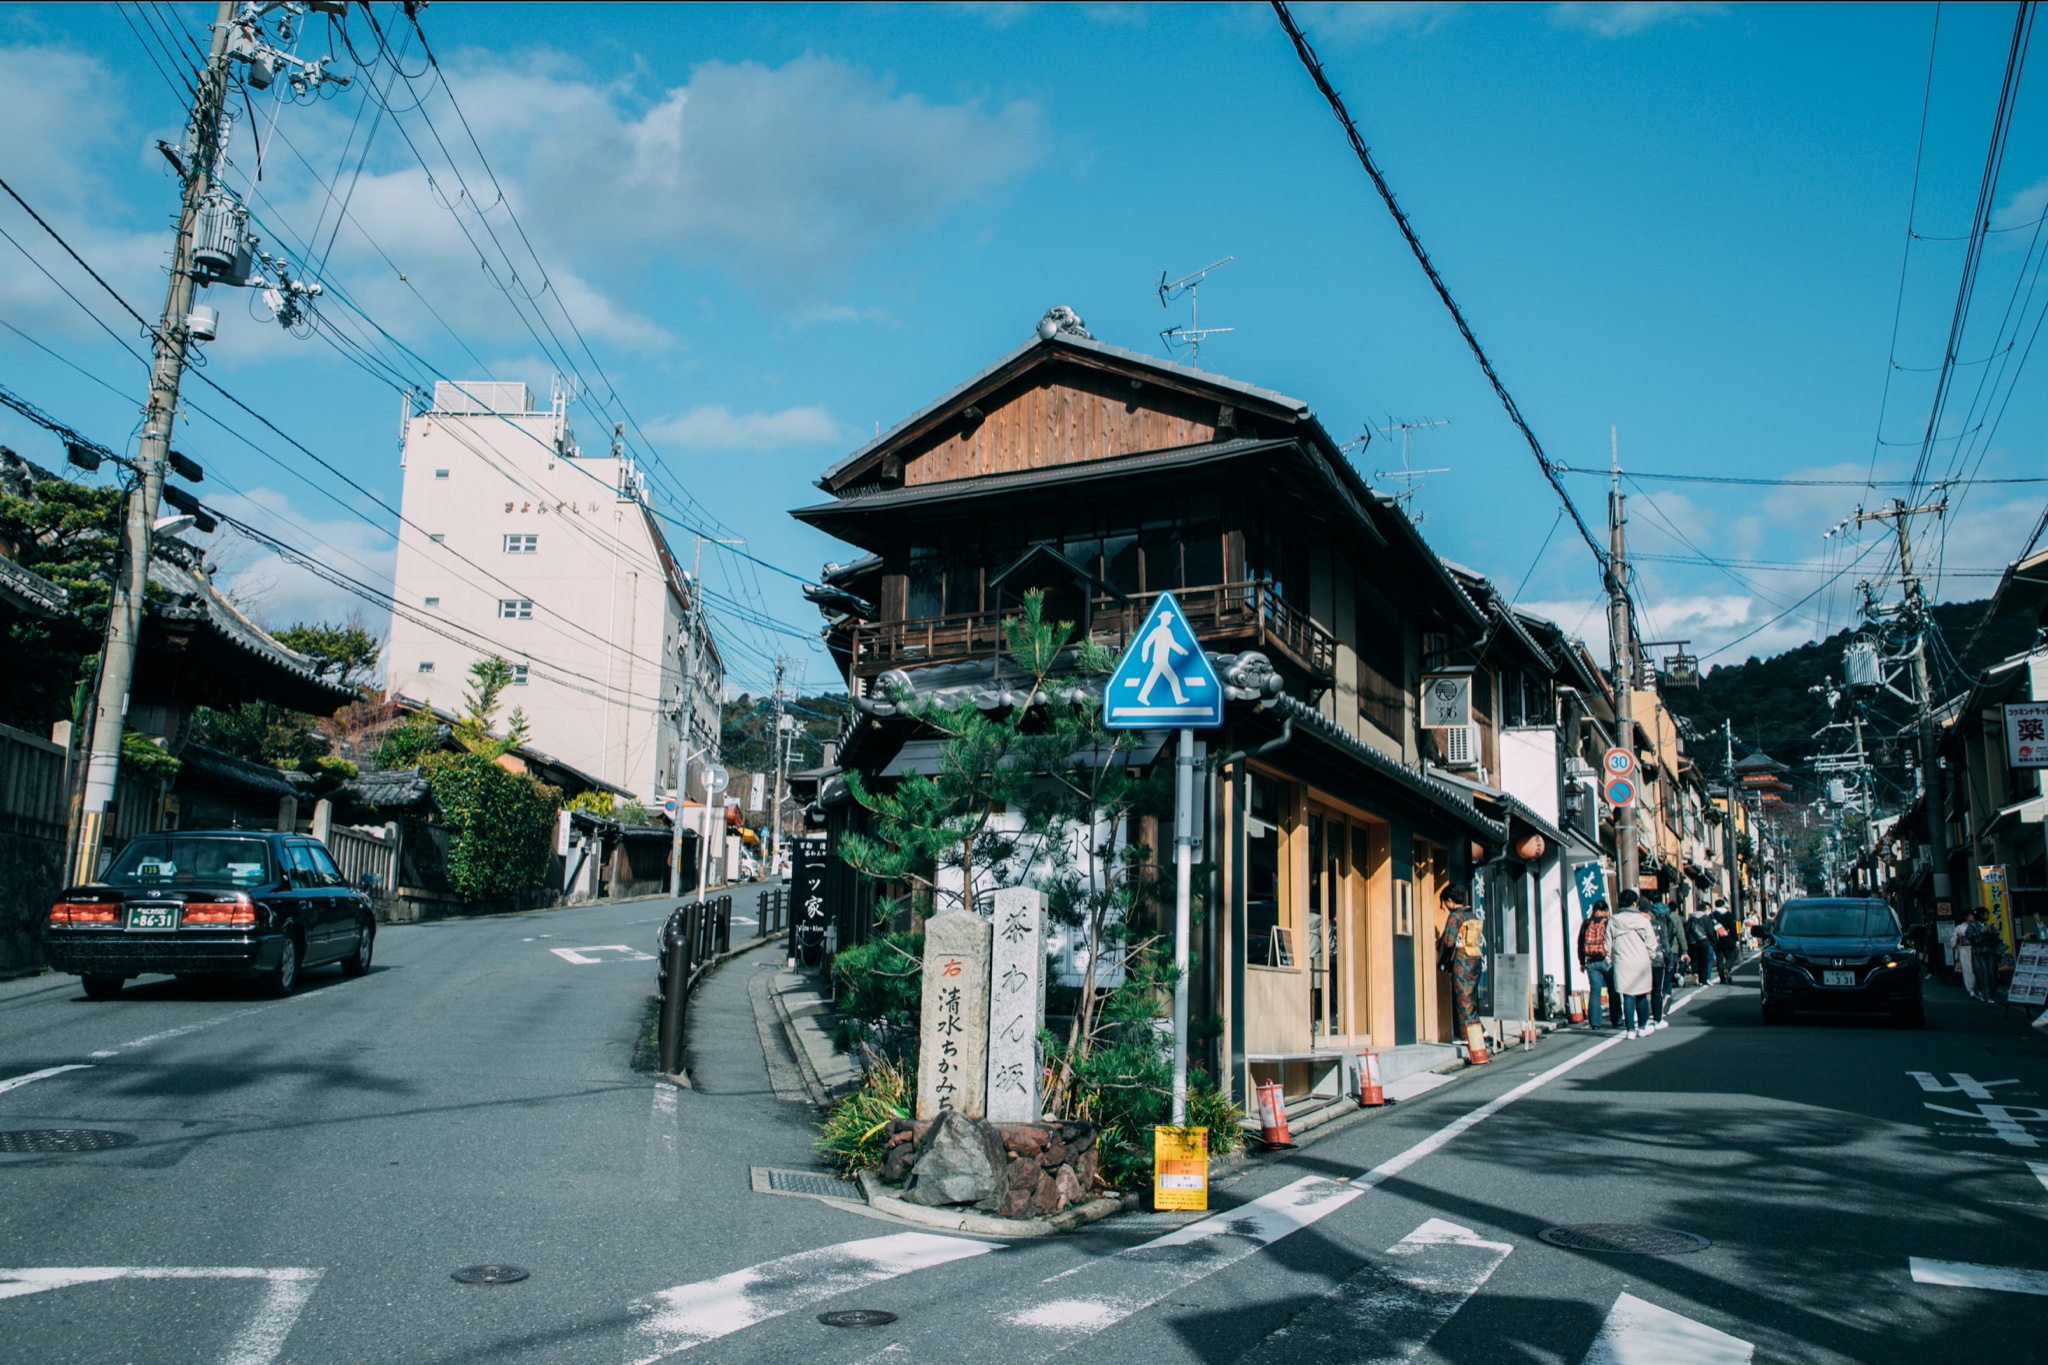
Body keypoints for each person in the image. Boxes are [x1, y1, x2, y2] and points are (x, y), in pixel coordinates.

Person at [1436, 885, 1485, 1043]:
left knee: (1462, 997)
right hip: (1475, 958)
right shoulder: (1470, 914)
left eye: (1445, 902)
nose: (1446, 906)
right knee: (1470, 996)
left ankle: (1467, 1035)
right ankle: (1478, 1029)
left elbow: (1448, 941)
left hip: (1462, 961)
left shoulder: (1455, 917)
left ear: (1449, 901)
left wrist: (1438, 946)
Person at [1609, 892, 1658, 1039]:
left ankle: (1630, 1030)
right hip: (1641, 961)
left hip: (1622, 961)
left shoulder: (1613, 920)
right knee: (1641, 994)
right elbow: (1651, 942)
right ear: (1634, 903)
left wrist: (1611, 957)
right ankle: (1642, 1027)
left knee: (1627, 995)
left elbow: (1608, 943)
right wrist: (1651, 956)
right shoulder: (1642, 920)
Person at [1647, 892, 1688, 1029]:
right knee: (1668, 977)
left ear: (1651, 902)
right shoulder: (1674, 916)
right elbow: (1681, 934)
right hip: (1672, 950)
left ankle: (1658, 1003)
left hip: (1654, 953)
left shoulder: (1649, 916)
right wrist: (1684, 951)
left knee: (1655, 984)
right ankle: (1667, 994)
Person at [1577, 899, 1619, 1028]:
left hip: (1591, 962)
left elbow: (1580, 943)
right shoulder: (1608, 923)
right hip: (1607, 961)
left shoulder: (1587, 923)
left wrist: (1582, 961)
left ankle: (1595, 1023)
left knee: (1595, 992)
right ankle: (1617, 1020)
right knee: (1613, 990)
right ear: (1605, 910)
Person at [1686, 901, 1717, 985]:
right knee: (1704, 961)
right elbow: (1710, 931)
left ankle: (1695, 974)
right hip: (1704, 941)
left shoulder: (1691, 917)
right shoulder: (1706, 918)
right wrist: (1712, 940)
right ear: (1704, 910)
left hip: (1693, 942)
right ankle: (1703, 980)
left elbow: (1687, 930)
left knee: (1695, 960)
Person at [1712, 900, 1738, 984]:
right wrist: (1736, 939)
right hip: (1728, 939)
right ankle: (1727, 968)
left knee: (1719, 959)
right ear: (1723, 905)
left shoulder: (1713, 915)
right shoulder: (1728, 914)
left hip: (1717, 940)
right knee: (1730, 957)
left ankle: (1722, 978)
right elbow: (1733, 928)